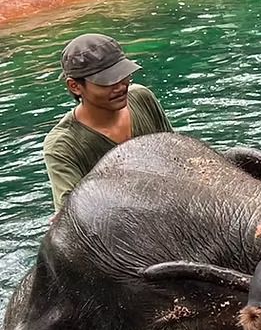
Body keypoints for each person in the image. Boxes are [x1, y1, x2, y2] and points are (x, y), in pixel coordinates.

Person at [43, 33, 173, 211]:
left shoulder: (142, 98)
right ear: (75, 86)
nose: (120, 86)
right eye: (107, 82)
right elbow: (73, 216)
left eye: (123, 75)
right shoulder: (63, 145)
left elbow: (174, 154)